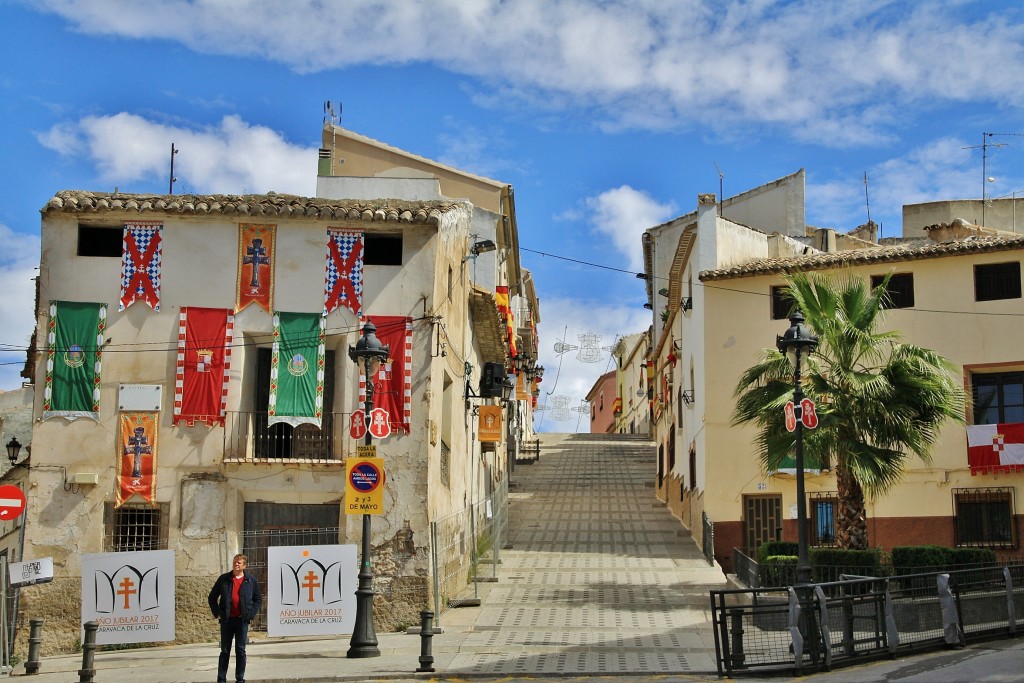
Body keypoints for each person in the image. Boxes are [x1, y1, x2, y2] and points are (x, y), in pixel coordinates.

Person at [208, 554, 262, 683]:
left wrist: (250, 615)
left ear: (244, 565)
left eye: (239, 563)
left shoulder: (250, 580)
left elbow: (258, 599)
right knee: (225, 650)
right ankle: (221, 678)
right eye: (234, 562)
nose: (236, 564)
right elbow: (212, 597)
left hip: (241, 621)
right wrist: (218, 613)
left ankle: (240, 678)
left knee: (240, 650)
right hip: (227, 621)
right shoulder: (224, 579)